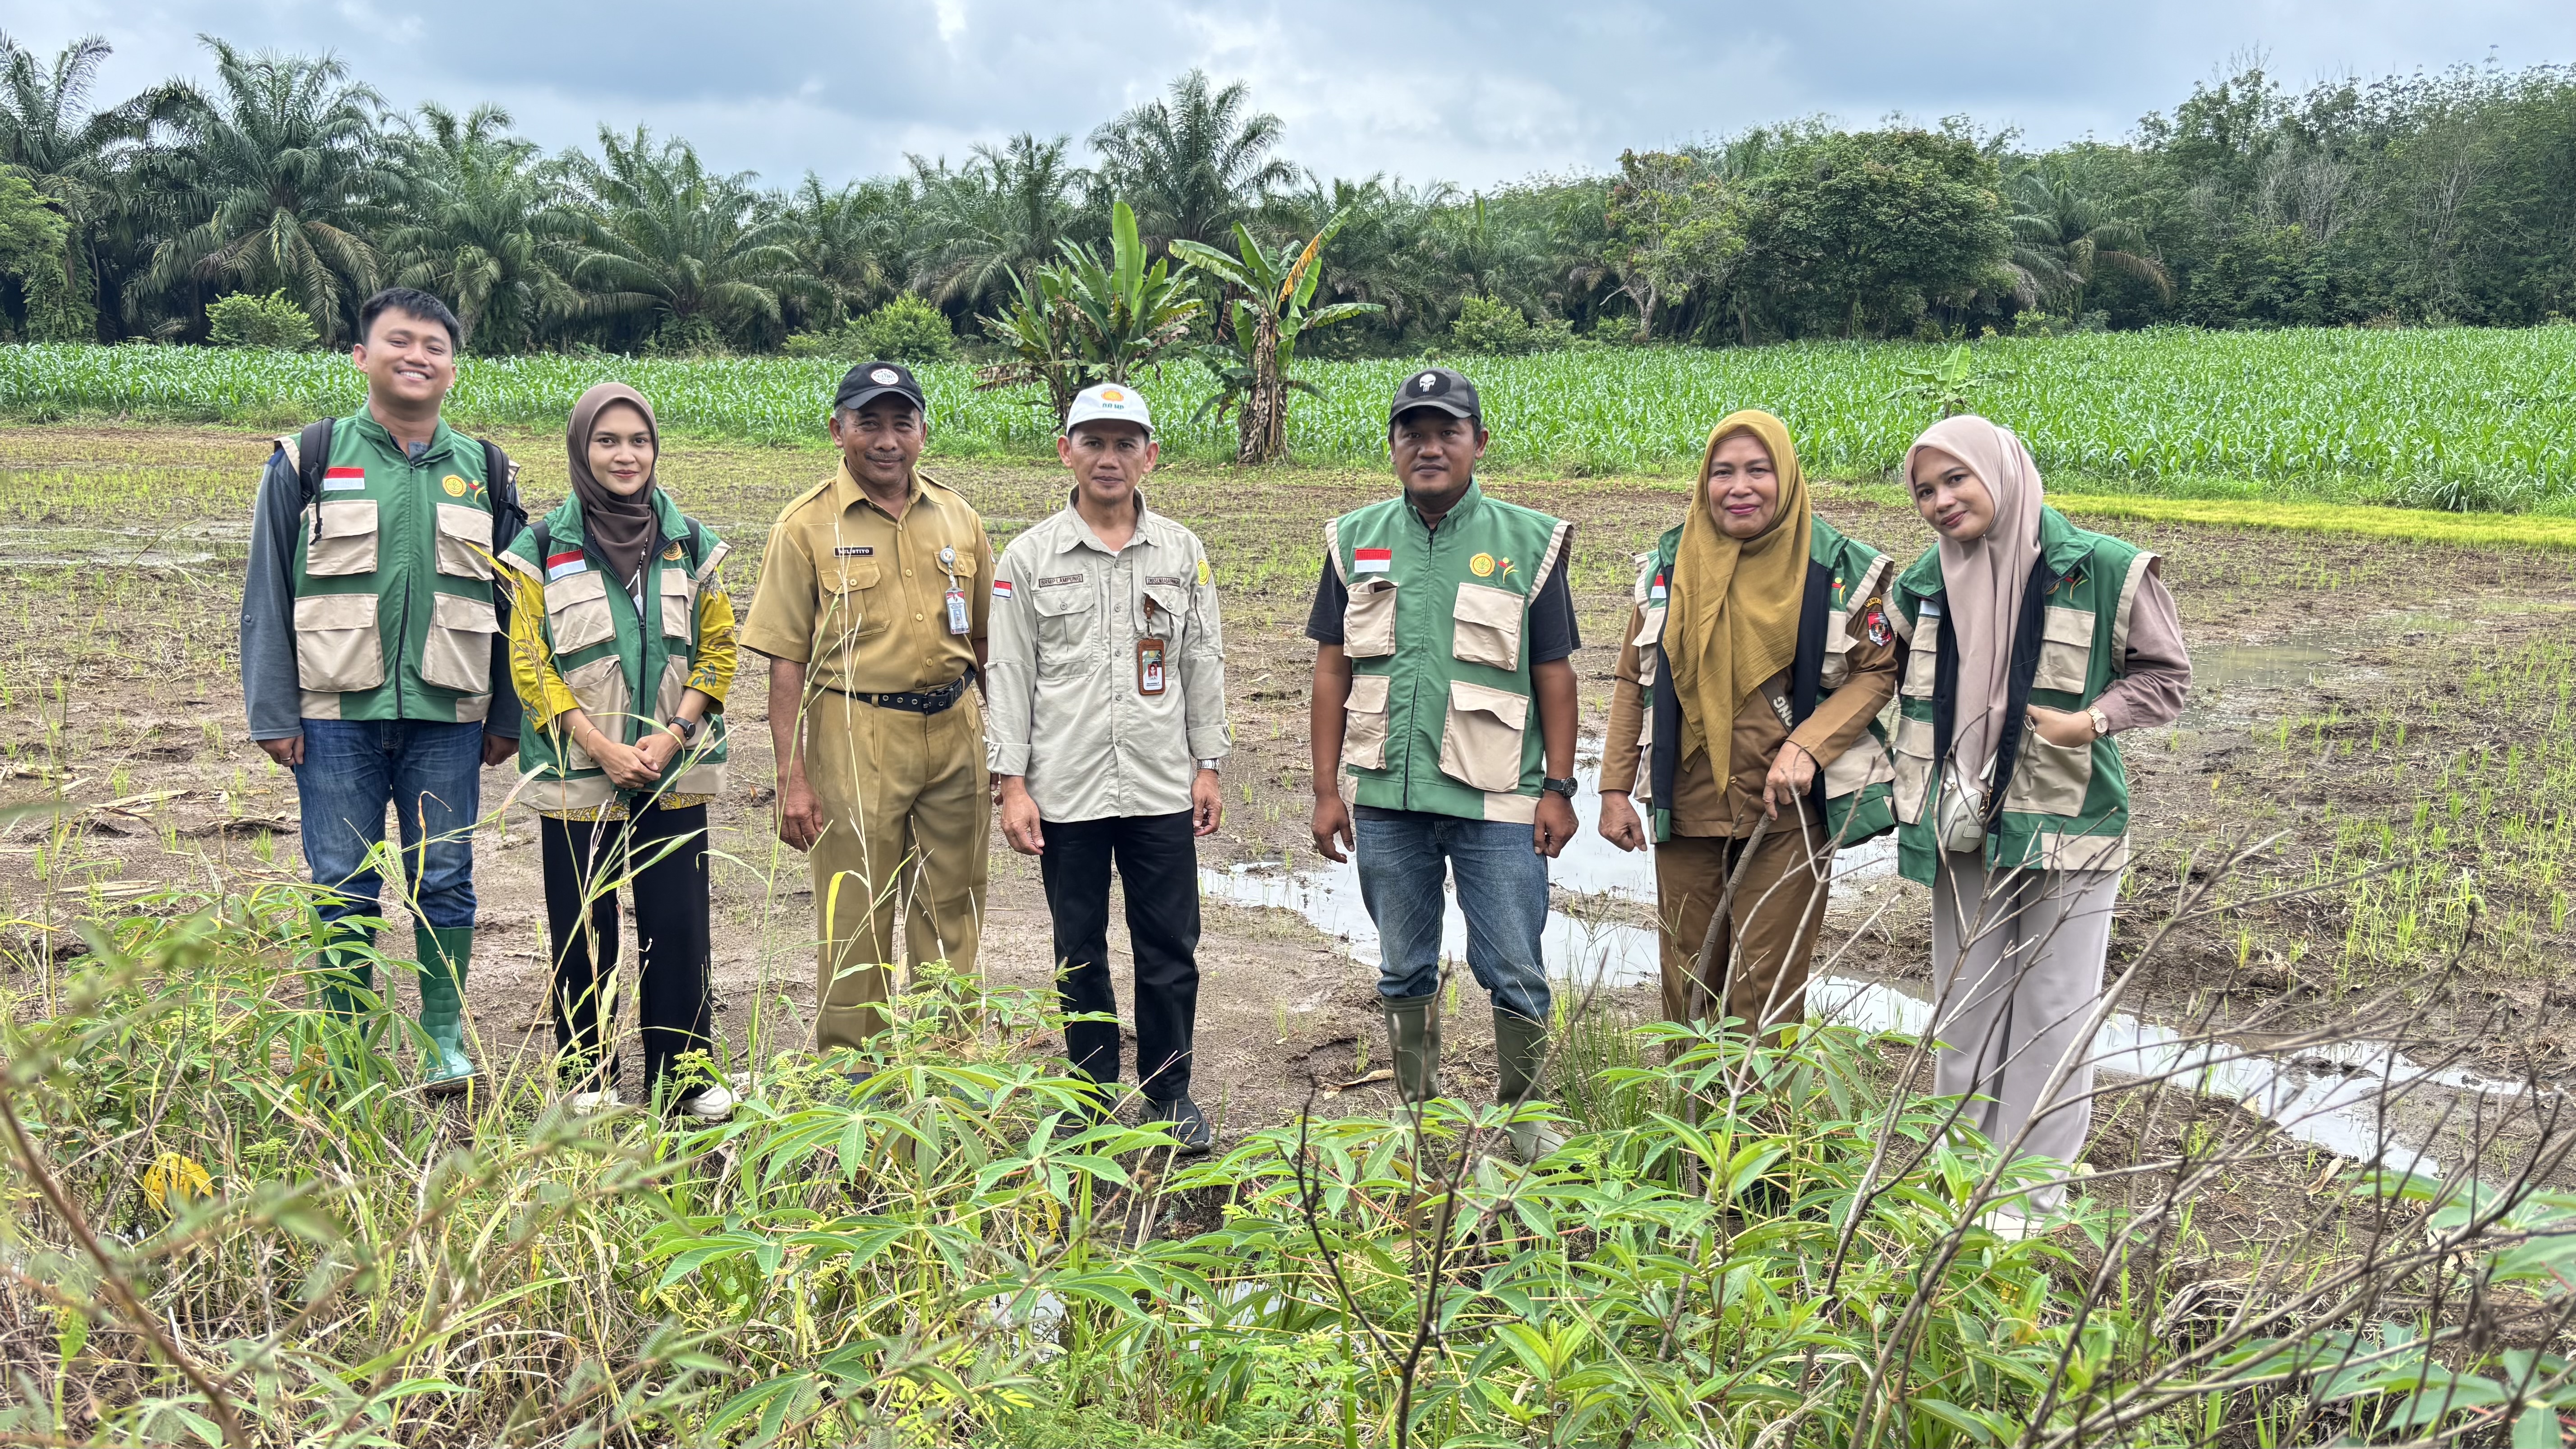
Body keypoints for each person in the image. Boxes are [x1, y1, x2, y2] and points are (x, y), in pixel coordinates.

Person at [1886, 414, 2191, 1231]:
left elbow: (2166, 676)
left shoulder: (2100, 568)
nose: (1941, 502)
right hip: (1963, 821)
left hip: (2068, 823)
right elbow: (1886, 679)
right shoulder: (1922, 584)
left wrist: (2093, 720)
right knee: (1965, 1005)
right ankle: (1957, 1183)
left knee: (2053, 1008)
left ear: (2003, 473)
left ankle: (2027, 1200)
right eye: (1925, 490)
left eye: (1957, 479)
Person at [240, 287, 523, 1094]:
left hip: (449, 716)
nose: (417, 357)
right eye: (399, 341)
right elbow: (266, 591)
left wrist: (506, 714)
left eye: (435, 347)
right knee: (342, 881)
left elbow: (516, 604)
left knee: (447, 877)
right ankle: (346, 1043)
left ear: (453, 369)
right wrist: (273, 711)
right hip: (334, 716)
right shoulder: (308, 458)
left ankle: (443, 1040)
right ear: (362, 356)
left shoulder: (487, 470)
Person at [1307, 366, 1579, 1162]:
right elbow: (1332, 670)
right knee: (1403, 966)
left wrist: (1559, 789)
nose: (1429, 448)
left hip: (1499, 799)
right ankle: (1417, 1112)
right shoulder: (1354, 539)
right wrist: (1326, 789)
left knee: (1514, 965)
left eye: (1446, 432)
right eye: (1413, 433)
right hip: (1388, 799)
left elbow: (1555, 674)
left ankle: (1524, 1117)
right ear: (1393, 446)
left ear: (1478, 442)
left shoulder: (1528, 542)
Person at [1597, 410, 1900, 1037]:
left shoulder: (1839, 568)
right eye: (1723, 472)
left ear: (1786, 476)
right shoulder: (1667, 569)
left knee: (1765, 990)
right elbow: (1632, 680)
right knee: (1688, 986)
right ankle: (1691, 1105)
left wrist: (1807, 747)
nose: (1740, 487)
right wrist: (1614, 789)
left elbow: (1876, 671)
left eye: (1759, 470)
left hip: (1787, 812)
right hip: (1686, 805)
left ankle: (1758, 1105)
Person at [986, 383, 1229, 1151]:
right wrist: (1013, 784)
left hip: (1160, 785)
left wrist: (1208, 766)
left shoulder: (1183, 552)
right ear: (1066, 451)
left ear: (1150, 456)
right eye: (1093, 441)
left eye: (1126, 443)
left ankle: (1170, 1090)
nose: (1109, 457)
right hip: (1067, 791)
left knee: (1169, 947)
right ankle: (1089, 1093)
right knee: (1079, 947)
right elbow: (1010, 674)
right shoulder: (1029, 558)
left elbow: (1202, 662)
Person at [737, 361, 994, 1056]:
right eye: (869, 423)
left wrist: (1005, 751)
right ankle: (854, 1074)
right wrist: (791, 776)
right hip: (855, 732)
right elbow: (785, 663)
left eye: (901, 423)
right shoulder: (804, 526)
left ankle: (949, 1064)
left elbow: (985, 643)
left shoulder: (959, 517)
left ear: (923, 432)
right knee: (855, 909)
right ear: (837, 429)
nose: (887, 440)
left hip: (956, 726)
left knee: (953, 904)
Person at [498, 383, 736, 1121]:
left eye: (639, 440)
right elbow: (529, 662)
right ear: (581, 449)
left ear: (656, 449)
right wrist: (599, 744)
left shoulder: (691, 544)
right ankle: (588, 1077)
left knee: (680, 924)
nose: (625, 455)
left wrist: (674, 733)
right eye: (607, 441)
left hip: (673, 768)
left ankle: (685, 1077)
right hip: (579, 771)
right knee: (583, 927)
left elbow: (719, 649)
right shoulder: (541, 549)